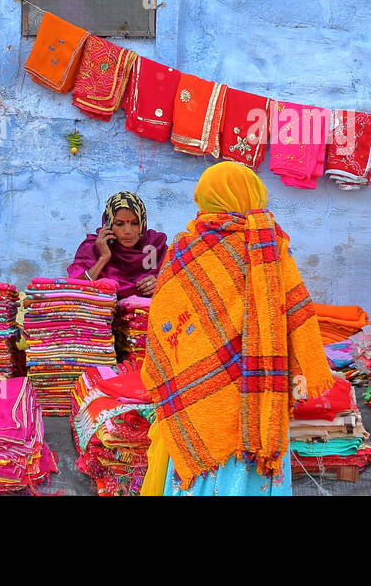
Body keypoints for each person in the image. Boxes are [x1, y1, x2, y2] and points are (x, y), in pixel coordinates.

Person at [140, 161, 333, 496]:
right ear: (253, 194)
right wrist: (300, 372)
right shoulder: (269, 246)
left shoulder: (184, 249)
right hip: (259, 394)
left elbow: (164, 321)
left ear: (205, 197)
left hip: (195, 390)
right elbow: (296, 313)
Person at [66, 191, 167, 299]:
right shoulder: (92, 248)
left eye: (135, 223)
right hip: (103, 313)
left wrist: (160, 283)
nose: (128, 231)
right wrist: (103, 258)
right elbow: (75, 289)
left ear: (143, 223)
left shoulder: (154, 247)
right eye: (119, 224)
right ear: (108, 224)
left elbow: (178, 282)